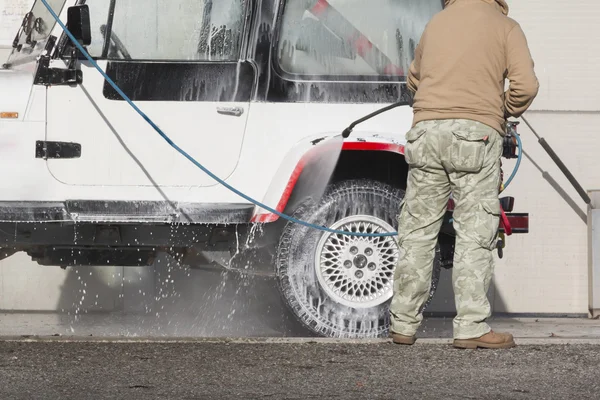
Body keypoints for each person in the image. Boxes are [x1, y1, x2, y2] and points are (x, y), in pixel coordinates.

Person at [389, 0, 539, 349]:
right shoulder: (505, 27)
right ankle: (471, 327)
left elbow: (414, 78)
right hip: (476, 135)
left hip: (425, 133)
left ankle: (403, 324)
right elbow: (526, 86)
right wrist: (496, 111)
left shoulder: (436, 23)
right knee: (474, 229)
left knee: (418, 230)